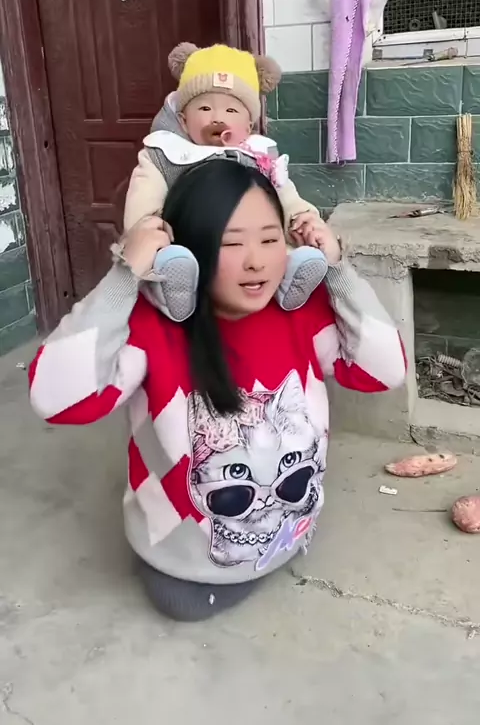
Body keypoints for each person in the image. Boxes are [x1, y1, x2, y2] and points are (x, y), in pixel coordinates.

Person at [29, 160, 406, 622]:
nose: (256, 261)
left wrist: (338, 269)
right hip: (184, 558)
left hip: (290, 523)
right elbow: (58, 400)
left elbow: (384, 371)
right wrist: (124, 277)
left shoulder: (302, 315)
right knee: (180, 602)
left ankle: (276, 540)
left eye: (270, 239)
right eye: (231, 243)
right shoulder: (150, 327)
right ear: (184, 254)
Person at [123, 41, 329, 323]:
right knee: (162, 260)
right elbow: (143, 200)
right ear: (183, 120)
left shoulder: (258, 155)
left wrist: (303, 217)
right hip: (187, 241)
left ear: (248, 125)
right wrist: (147, 229)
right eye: (205, 108)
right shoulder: (163, 154)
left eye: (231, 111)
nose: (218, 118)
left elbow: (285, 194)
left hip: (246, 247)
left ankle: (288, 279)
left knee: (275, 241)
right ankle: (172, 292)